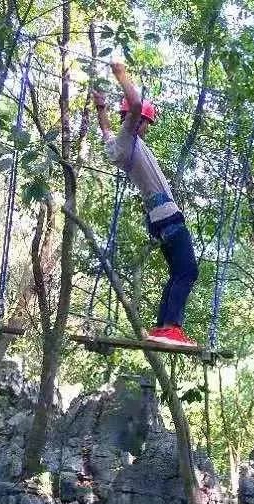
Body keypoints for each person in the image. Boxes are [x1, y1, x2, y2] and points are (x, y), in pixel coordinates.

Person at [91, 62, 198, 347]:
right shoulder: (129, 138)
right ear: (136, 121)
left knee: (179, 272)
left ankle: (164, 329)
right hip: (166, 215)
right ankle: (172, 327)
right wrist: (121, 75)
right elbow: (136, 103)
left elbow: (105, 131)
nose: (147, 128)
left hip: (157, 217)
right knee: (188, 271)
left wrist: (101, 110)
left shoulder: (119, 146)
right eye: (146, 123)